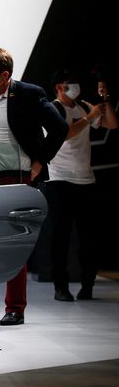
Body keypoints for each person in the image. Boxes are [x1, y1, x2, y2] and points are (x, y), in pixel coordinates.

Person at [0, 48, 67, 326]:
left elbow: (59, 128)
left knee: (11, 245)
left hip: (13, 178)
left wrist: (40, 161)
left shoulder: (29, 94)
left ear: (5, 75)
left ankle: (15, 307)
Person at [46, 69, 117, 302]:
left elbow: (111, 124)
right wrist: (88, 118)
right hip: (60, 179)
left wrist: (104, 102)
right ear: (59, 87)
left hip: (86, 180)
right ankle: (60, 287)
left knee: (89, 238)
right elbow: (64, 134)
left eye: (75, 83)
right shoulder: (53, 109)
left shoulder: (84, 106)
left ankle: (88, 285)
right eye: (69, 84)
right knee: (61, 238)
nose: (74, 87)